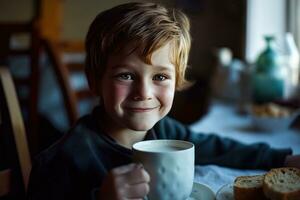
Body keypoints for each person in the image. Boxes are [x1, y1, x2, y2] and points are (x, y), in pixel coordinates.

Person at [27, 2, 300, 200]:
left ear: (177, 80)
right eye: (125, 75)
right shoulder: (64, 159)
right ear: (94, 81)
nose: (143, 92)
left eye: (159, 77)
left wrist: (282, 158)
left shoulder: (165, 131)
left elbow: (215, 147)